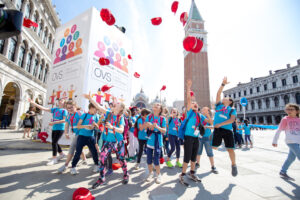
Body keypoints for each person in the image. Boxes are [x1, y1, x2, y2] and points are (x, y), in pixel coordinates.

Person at [84, 94, 129, 188]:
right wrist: (90, 99)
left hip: (118, 142)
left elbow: (121, 130)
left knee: (121, 159)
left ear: (120, 108)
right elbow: (98, 106)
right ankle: (101, 178)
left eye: (117, 104)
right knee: (102, 158)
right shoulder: (108, 113)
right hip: (108, 141)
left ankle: (126, 174)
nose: (115, 103)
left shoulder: (121, 118)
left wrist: (112, 127)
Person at [29, 98, 68, 165]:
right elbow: (44, 109)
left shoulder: (64, 110)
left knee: (54, 142)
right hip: (54, 128)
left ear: (64, 103)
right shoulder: (55, 109)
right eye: (60, 100)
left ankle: (54, 159)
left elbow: (65, 120)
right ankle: (61, 154)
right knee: (54, 142)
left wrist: (54, 122)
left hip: (60, 128)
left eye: (62, 100)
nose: (60, 101)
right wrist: (34, 103)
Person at [179, 80, 204, 186]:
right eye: (193, 104)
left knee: (194, 157)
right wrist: (188, 87)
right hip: (188, 137)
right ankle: (182, 175)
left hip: (196, 138)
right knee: (187, 157)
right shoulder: (190, 112)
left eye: (196, 104)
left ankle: (192, 173)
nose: (194, 104)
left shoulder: (199, 115)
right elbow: (189, 99)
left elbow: (206, 123)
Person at [212, 77, 238, 177]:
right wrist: (223, 84)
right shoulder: (219, 106)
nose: (224, 97)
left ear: (230, 101)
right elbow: (218, 94)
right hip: (218, 130)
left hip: (227, 130)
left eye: (226, 97)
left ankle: (233, 165)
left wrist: (220, 124)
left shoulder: (232, 110)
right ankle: (211, 140)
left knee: (230, 149)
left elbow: (232, 120)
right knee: (214, 147)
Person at [70, 102, 101, 175]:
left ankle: (96, 165)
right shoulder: (84, 115)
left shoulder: (96, 116)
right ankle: (73, 167)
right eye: (95, 109)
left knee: (94, 152)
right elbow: (78, 126)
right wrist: (86, 126)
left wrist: (95, 125)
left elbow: (97, 127)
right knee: (78, 152)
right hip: (82, 136)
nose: (96, 111)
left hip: (91, 137)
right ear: (91, 108)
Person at [57, 100, 87, 173]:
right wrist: (66, 133)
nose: (70, 109)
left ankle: (66, 165)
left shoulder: (80, 114)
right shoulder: (68, 115)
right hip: (74, 133)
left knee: (72, 147)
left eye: (71, 107)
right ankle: (84, 160)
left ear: (75, 106)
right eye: (68, 108)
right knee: (78, 147)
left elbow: (86, 122)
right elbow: (67, 124)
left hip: (81, 133)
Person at [272, 103, 300, 180]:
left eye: (291, 109)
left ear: (297, 111)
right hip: (290, 141)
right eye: (288, 109)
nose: (289, 111)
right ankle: (283, 171)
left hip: (297, 142)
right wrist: (275, 141)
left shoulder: (299, 120)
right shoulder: (285, 119)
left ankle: (283, 171)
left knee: (291, 158)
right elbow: (279, 130)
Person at [143, 103, 166, 184]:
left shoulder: (162, 118)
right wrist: (148, 124)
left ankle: (158, 174)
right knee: (149, 160)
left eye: (158, 105)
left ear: (160, 109)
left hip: (158, 142)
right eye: (155, 105)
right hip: (149, 141)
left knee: (156, 160)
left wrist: (157, 127)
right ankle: (150, 173)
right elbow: (144, 127)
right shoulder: (149, 117)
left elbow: (164, 130)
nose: (156, 105)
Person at [195, 107, 218, 174]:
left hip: (207, 137)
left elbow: (212, 124)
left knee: (210, 152)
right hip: (200, 137)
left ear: (208, 111)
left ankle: (213, 166)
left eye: (206, 109)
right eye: (203, 109)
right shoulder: (200, 116)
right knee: (198, 151)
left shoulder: (210, 117)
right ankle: (198, 163)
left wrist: (208, 116)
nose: (204, 110)